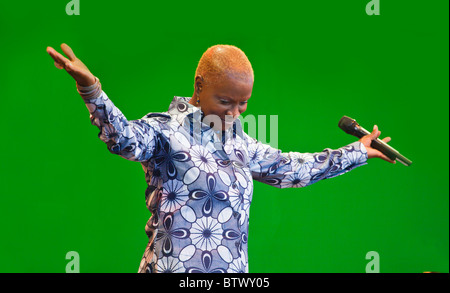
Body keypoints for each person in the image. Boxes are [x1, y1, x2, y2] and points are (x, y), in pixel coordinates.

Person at [46, 43, 394, 273]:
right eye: (226, 101)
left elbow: (292, 168)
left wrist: (357, 151)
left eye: (244, 103)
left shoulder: (241, 144)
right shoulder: (165, 131)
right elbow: (123, 139)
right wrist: (92, 89)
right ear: (199, 86)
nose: (236, 112)